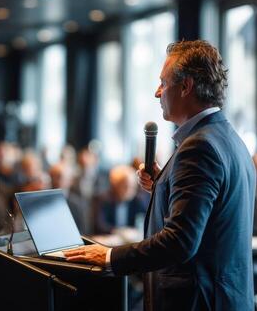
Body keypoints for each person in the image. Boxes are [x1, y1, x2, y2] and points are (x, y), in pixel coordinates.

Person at [65, 40, 256, 310]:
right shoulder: (228, 138)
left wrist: (109, 256)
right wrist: (162, 184)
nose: (157, 93)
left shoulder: (200, 147)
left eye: (163, 83)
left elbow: (180, 241)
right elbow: (213, 219)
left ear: (186, 86)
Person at [94, 165, 146, 234]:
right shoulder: (103, 200)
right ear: (115, 185)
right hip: (109, 240)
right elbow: (100, 226)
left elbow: (143, 222)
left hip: (130, 241)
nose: (130, 190)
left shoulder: (137, 201)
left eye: (133, 186)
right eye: (125, 186)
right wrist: (119, 232)